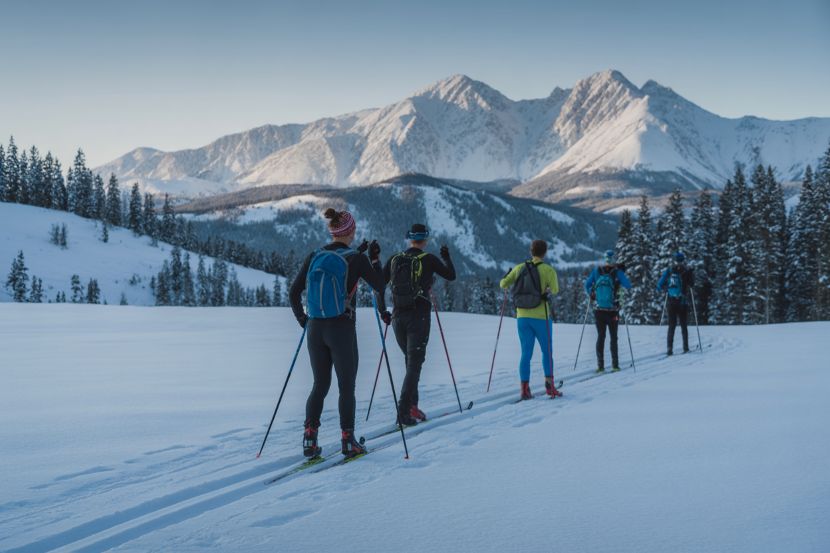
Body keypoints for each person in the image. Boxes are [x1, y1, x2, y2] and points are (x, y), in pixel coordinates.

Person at [289, 208, 386, 459]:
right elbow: (379, 285)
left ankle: (309, 438)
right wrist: (374, 260)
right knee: (346, 386)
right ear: (351, 231)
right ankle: (348, 440)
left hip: (315, 328)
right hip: (341, 328)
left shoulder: (315, 255)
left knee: (319, 384)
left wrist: (303, 320)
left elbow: (293, 292)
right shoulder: (357, 258)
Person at [383, 224, 456, 426]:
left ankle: (412, 407)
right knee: (414, 366)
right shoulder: (429, 259)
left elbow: (378, 284)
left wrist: (383, 311)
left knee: (410, 363)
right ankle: (403, 412)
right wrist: (446, 257)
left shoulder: (395, 259)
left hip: (397, 317)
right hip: (419, 318)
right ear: (425, 240)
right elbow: (451, 275)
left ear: (409, 238)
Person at [499, 239, 560, 400]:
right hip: (541, 317)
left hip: (522, 317)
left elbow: (503, 284)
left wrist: (506, 276)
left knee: (526, 353)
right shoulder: (548, 270)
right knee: (547, 352)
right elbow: (555, 289)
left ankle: (525, 390)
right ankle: (549, 386)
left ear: (530, 251)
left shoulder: (520, 268)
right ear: (545, 252)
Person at [584, 250, 631, 373]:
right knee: (613, 337)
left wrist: (592, 294)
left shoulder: (597, 271)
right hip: (613, 310)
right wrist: (621, 273)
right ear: (614, 259)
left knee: (601, 336)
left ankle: (600, 366)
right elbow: (628, 285)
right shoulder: (617, 272)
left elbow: (587, 285)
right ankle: (615, 365)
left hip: (599, 310)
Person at [657, 251, 695, 355]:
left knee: (671, 326)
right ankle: (685, 348)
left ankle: (669, 349)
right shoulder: (686, 271)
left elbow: (659, 285)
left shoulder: (669, 271)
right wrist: (691, 274)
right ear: (683, 260)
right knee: (683, 326)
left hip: (671, 302)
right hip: (682, 302)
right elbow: (692, 285)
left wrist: (666, 289)